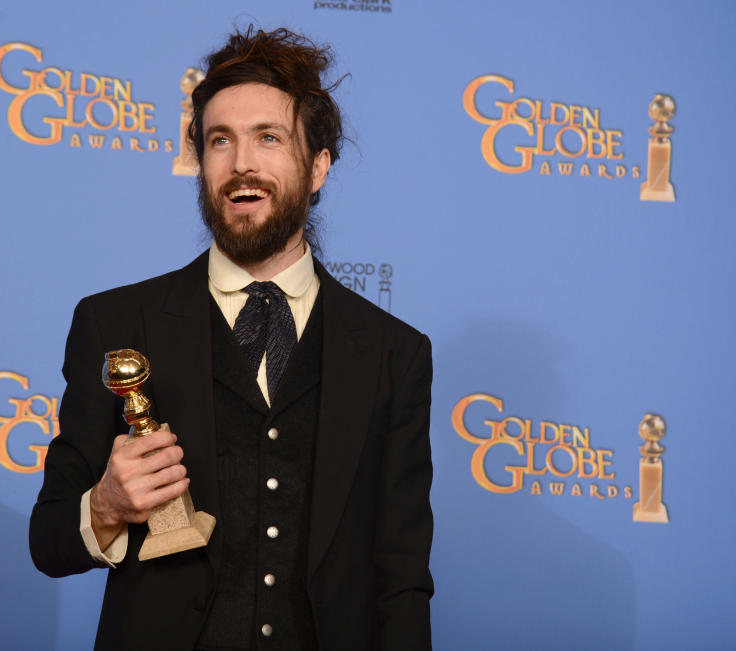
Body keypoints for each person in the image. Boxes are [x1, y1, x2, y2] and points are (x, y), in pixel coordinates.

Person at [29, 26, 434, 651]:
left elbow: (402, 578)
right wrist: (105, 505)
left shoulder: (393, 353)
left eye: (268, 138)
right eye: (221, 140)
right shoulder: (115, 324)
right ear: (200, 163)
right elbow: (50, 540)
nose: (242, 162)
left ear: (318, 166)